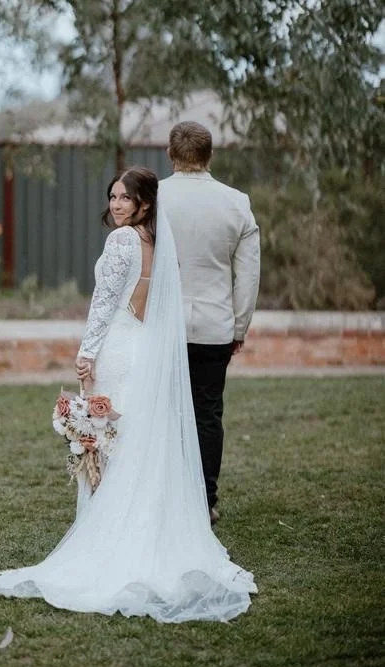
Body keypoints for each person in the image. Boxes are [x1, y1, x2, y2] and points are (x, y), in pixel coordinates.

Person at [0, 166, 257, 623]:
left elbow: (104, 302)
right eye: (112, 196)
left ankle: (108, 535)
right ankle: (147, 530)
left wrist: (86, 354)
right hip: (145, 349)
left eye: (124, 198)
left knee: (107, 437)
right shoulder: (157, 243)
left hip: (117, 347)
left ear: (144, 204)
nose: (115, 205)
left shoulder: (123, 241)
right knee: (135, 439)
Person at [158, 122, 260, 524]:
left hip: (164, 326)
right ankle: (205, 501)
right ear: (210, 156)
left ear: (170, 154)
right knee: (207, 413)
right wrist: (239, 327)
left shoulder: (155, 198)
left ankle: (165, 495)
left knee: (163, 411)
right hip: (215, 327)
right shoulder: (236, 203)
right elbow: (248, 275)